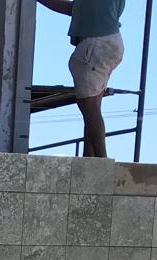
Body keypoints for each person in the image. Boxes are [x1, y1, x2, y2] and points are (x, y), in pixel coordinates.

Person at [36, 0, 125, 158]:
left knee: (89, 105)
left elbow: (73, 9)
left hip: (95, 43)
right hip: (110, 41)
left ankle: (101, 160)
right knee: (91, 107)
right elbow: (74, 9)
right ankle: (90, 158)